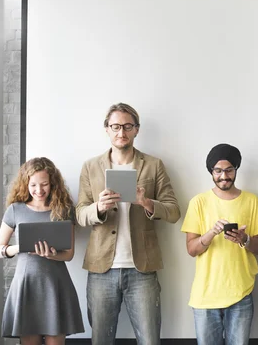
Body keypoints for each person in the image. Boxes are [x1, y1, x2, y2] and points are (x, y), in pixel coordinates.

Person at [76, 102, 180, 345]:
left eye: (127, 126)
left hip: (142, 269)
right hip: (101, 268)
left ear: (136, 129)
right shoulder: (91, 167)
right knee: (101, 340)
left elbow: (174, 211)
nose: (121, 132)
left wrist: (146, 202)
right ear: (106, 129)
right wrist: (98, 208)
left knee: (150, 340)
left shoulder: (153, 165)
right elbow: (79, 214)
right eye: (115, 126)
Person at [181, 143, 258, 345]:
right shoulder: (198, 202)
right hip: (205, 296)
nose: (224, 176)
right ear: (211, 172)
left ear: (236, 169)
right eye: (218, 171)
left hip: (241, 293)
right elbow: (191, 250)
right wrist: (210, 233)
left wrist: (244, 239)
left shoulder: (252, 201)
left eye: (229, 170)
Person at [0, 157, 84, 345]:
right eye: (33, 185)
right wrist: (19, 248)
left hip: (55, 285)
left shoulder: (64, 209)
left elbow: (69, 254)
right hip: (26, 285)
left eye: (44, 184)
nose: (39, 190)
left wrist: (52, 255)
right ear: (25, 184)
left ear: (53, 184)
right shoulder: (15, 210)